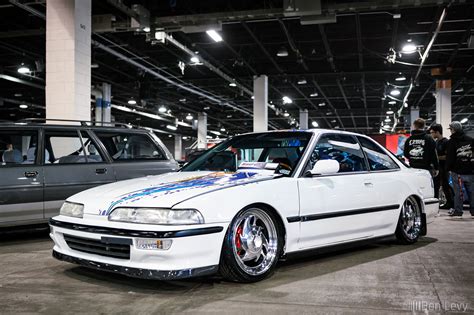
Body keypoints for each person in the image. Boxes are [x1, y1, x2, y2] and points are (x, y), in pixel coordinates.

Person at [445, 121, 474, 217]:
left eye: (451, 129)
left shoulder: (451, 142)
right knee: (472, 192)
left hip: (457, 172)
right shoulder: (471, 140)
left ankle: (458, 210)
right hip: (470, 171)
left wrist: (447, 168)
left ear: (453, 129)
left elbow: (450, 157)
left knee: (458, 192)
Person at [429, 124, 454, 209]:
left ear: (437, 132)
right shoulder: (436, 142)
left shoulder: (446, 142)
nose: (431, 134)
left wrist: (436, 158)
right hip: (437, 168)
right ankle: (435, 203)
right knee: (436, 186)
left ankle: (450, 203)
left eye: (432, 132)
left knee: (445, 186)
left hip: (444, 168)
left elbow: (447, 156)